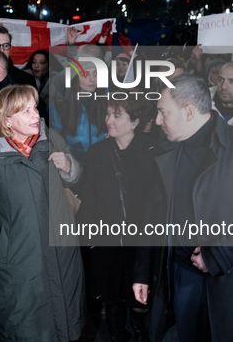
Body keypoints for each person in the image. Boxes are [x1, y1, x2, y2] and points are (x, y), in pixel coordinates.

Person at [133, 74, 233, 342]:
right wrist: (142, 273)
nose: (157, 121)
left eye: (162, 112)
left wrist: (218, 256)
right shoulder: (164, 153)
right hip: (182, 278)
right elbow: (150, 218)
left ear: (189, 112)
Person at [0, 84, 84, 341]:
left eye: (35, 107)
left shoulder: (52, 140)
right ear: (7, 121)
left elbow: (75, 179)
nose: (35, 115)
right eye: (25, 110)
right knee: (23, 318)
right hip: (16, 252)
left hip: (59, 245)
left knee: (64, 311)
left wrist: (68, 166)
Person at [78, 99, 159, 342]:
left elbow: (156, 203)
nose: (109, 120)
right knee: (111, 294)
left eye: (116, 115)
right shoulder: (98, 152)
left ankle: (139, 330)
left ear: (135, 122)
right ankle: (116, 335)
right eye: (108, 114)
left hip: (140, 239)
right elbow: (89, 196)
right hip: (106, 237)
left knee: (139, 294)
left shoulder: (152, 152)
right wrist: (85, 237)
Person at [50, 54, 107, 164]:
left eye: (96, 73)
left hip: (102, 166)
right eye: (85, 74)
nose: (92, 79)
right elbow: (56, 142)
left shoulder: (107, 103)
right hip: (72, 168)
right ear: (75, 77)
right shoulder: (59, 107)